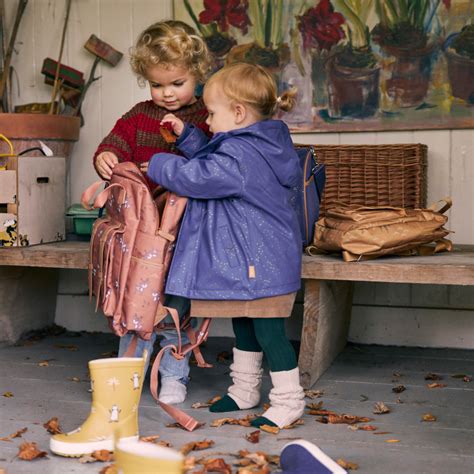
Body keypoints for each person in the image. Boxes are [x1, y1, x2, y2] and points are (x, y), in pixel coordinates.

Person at [145, 62, 306, 429]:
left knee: (269, 332)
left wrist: (156, 163)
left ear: (238, 113)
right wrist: (188, 138)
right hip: (253, 262)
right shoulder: (253, 145)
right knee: (245, 326)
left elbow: (199, 176)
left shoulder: (243, 156)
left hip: (259, 263)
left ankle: (288, 399)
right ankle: (245, 391)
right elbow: (216, 157)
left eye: (212, 114)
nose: (208, 122)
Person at [92, 19, 212, 405]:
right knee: (134, 298)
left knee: (175, 302)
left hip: (184, 232)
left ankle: (174, 370)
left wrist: (185, 139)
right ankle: (131, 368)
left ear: (197, 74)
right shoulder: (140, 114)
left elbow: (215, 162)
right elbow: (115, 142)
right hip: (139, 232)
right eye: (157, 85)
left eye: (177, 83)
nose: (167, 93)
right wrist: (106, 156)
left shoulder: (207, 117)